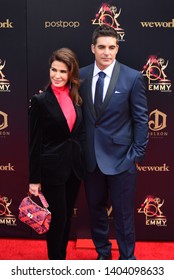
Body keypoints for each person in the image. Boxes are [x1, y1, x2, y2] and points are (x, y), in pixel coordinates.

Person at [79, 25, 149, 260]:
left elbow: (141, 119)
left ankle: (127, 259)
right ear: (93, 48)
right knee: (96, 211)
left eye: (111, 47)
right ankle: (103, 255)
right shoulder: (81, 75)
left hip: (122, 160)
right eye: (101, 47)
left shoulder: (132, 77)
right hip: (91, 160)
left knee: (124, 214)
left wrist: (136, 155)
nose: (106, 52)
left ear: (117, 48)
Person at [29, 48, 85, 260]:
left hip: (73, 169)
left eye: (63, 71)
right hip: (51, 170)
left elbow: (76, 133)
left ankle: (61, 261)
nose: (58, 75)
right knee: (57, 221)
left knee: (67, 219)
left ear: (71, 73)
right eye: (54, 70)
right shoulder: (40, 101)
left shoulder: (76, 97)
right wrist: (34, 180)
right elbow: (34, 143)